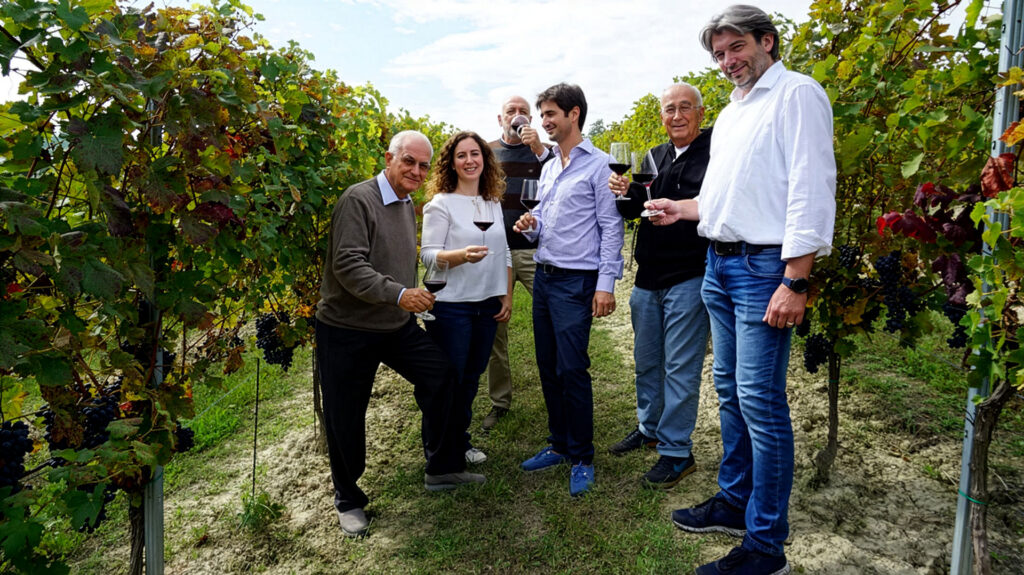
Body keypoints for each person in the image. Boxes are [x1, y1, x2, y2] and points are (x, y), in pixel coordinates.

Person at [647, 6, 835, 574]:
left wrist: (795, 280)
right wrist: (680, 208)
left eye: (736, 49)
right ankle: (734, 501)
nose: (728, 62)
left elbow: (811, 188)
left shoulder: (797, 95)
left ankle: (765, 546)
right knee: (729, 392)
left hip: (763, 272)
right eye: (719, 54)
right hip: (719, 266)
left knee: (760, 401)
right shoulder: (731, 113)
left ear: (766, 42)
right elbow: (727, 197)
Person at [315, 130, 485, 539]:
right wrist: (399, 293)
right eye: (408, 161)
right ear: (389, 157)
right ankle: (348, 499)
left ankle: (442, 467)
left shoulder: (407, 203)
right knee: (346, 415)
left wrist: (417, 292)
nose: (416, 170)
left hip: (393, 324)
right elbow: (348, 266)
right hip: (346, 328)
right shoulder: (359, 200)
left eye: (424, 165)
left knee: (441, 376)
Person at [513, 83, 624, 497]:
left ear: (574, 114)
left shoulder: (600, 166)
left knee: (572, 369)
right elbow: (544, 215)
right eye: (541, 114)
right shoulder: (549, 167)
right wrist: (531, 224)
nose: (543, 121)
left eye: (550, 114)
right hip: (545, 277)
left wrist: (605, 285)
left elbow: (611, 228)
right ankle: (559, 444)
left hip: (577, 282)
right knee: (546, 364)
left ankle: (582, 456)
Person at [606, 82, 711, 490]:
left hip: (689, 274)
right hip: (647, 277)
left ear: (701, 114)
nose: (677, 116)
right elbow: (638, 209)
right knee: (648, 361)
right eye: (670, 109)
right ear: (661, 116)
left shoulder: (716, 153)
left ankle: (677, 452)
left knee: (681, 369)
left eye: (686, 108)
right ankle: (650, 428)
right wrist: (625, 193)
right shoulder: (652, 155)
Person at [421, 131, 513, 466]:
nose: (470, 160)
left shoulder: (492, 201)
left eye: (476, 154)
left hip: (487, 304)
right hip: (453, 306)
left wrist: (505, 294)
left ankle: (459, 442)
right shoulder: (441, 204)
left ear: (485, 160)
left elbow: (503, 254)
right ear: (452, 163)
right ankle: (439, 451)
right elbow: (428, 256)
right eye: (462, 155)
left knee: (471, 379)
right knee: (450, 381)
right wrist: (461, 255)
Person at [482, 96, 553, 431]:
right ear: (500, 118)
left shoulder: (544, 151)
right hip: (497, 252)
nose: (518, 115)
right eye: (511, 111)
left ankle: (558, 393)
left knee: (553, 319)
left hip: (534, 250)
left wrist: (541, 147)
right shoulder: (485, 151)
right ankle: (500, 402)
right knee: (495, 329)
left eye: (523, 111)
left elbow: (565, 176)